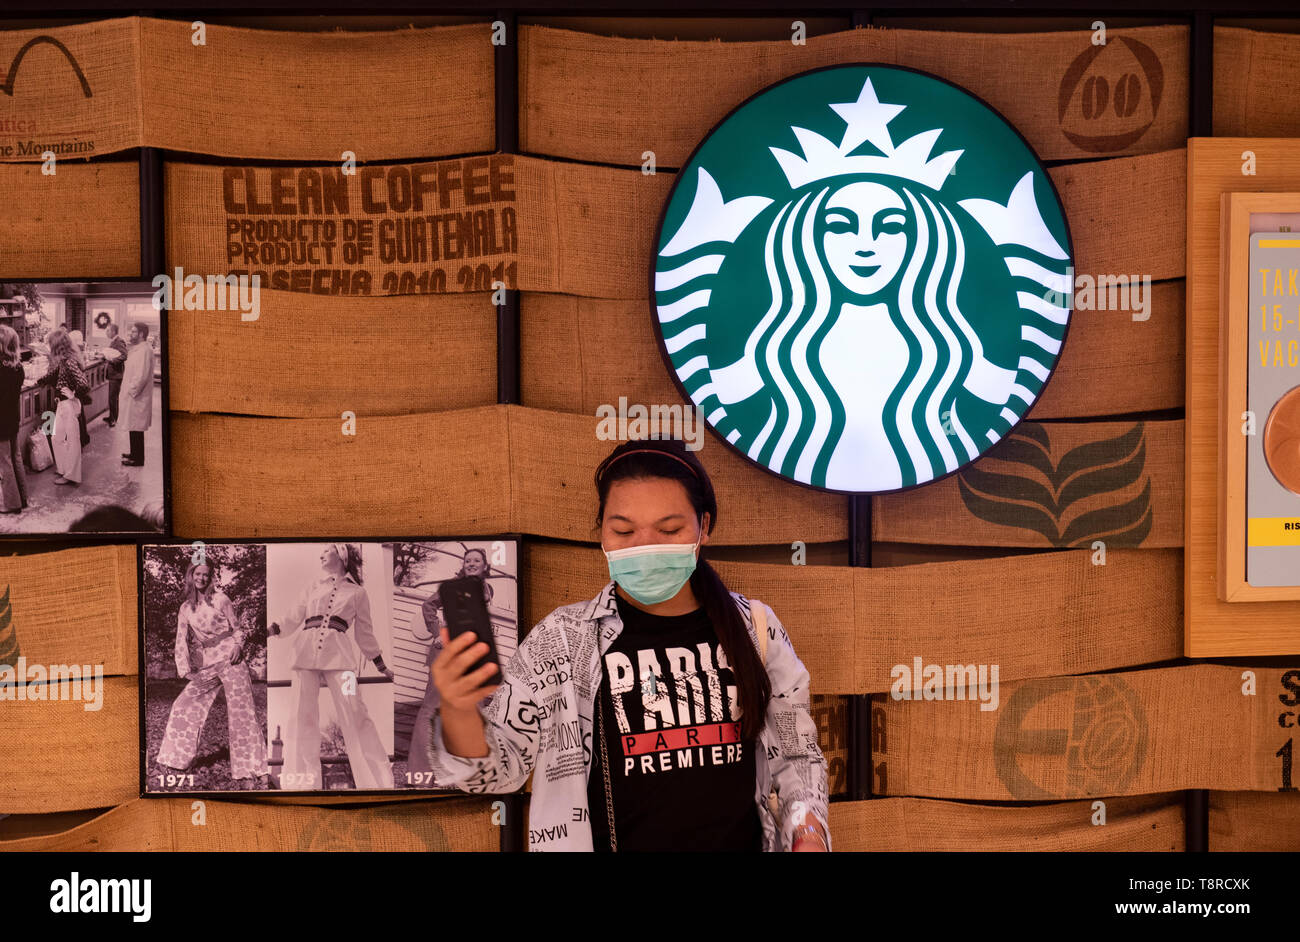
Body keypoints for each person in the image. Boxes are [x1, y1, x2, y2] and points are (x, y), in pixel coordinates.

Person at [427, 439, 831, 852]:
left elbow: (797, 757)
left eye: (669, 529)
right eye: (623, 530)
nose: (645, 544)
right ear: (601, 532)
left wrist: (808, 832)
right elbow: (499, 771)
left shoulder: (755, 628)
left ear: (704, 527)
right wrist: (458, 709)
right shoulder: (563, 640)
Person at [269, 543, 396, 789]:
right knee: (301, 715)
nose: (321, 554)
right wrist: (271, 630)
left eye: (327, 550)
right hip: (304, 652)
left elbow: (365, 633)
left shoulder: (358, 593)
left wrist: (381, 666)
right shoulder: (314, 586)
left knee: (355, 710)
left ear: (341, 555)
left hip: (340, 656)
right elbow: (292, 617)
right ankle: (303, 785)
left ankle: (377, 784)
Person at [155, 559, 272, 789]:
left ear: (212, 577)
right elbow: (181, 639)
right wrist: (185, 670)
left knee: (242, 713)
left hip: (232, 660)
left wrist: (239, 645)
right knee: (182, 704)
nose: (202, 578)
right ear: (191, 575)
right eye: (198, 574)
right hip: (209, 664)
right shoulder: (186, 608)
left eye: (207, 574)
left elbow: (238, 628)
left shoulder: (221, 599)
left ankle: (253, 770)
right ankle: (174, 761)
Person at [406, 548, 495, 777]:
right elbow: (428, 606)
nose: (471, 563)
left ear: (485, 565)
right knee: (433, 706)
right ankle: (420, 772)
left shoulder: (487, 590)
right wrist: (437, 633)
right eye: (468, 560)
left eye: (476, 560)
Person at [37, 327, 88, 487]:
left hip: (69, 405)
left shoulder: (69, 361)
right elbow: (53, 376)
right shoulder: (65, 360)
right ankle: (63, 469)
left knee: (72, 441)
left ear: (58, 345)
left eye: (51, 344)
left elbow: (84, 384)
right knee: (56, 438)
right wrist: (39, 381)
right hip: (63, 404)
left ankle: (71, 475)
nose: (50, 347)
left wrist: (73, 394)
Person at [0, 326, 28, 514]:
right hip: (12, 417)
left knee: (5, 461)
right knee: (16, 457)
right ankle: (23, 498)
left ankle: (12, 503)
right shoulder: (18, 367)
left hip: (0, 420)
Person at [119, 321, 154, 467]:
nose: (130, 334)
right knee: (133, 427)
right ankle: (134, 453)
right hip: (134, 396)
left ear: (141, 334)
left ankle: (138, 459)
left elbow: (141, 376)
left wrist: (132, 391)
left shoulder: (144, 350)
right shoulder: (138, 349)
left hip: (137, 397)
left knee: (137, 428)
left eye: (133, 332)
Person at [103, 322, 128, 428]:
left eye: (108, 330)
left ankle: (113, 419)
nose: (106, 332)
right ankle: (112, 416)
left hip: (116, 374)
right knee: (112, 397)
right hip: (114, 374)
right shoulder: (113, 341)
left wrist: (112, 360)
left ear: (113, 331)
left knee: (113, 398)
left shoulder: (119, 341)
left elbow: (124, 355)